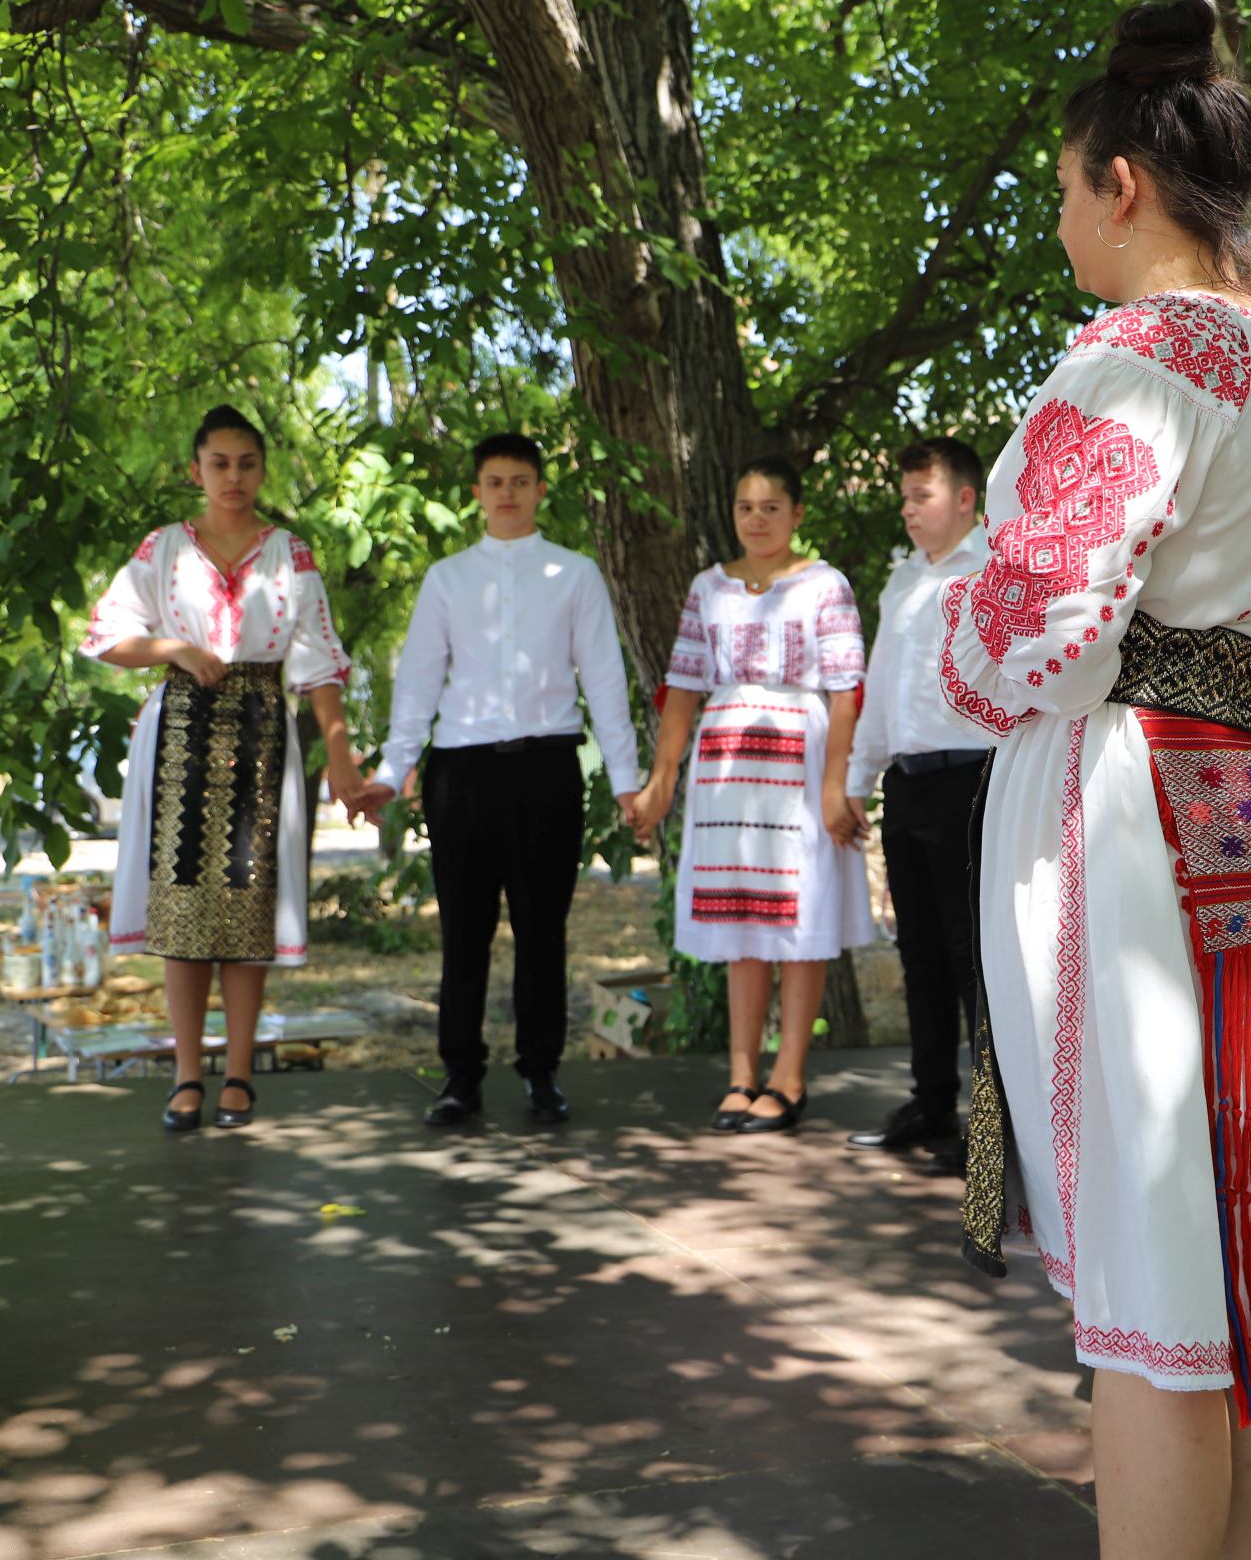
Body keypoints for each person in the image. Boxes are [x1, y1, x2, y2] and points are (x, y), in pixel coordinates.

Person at [939, 0, 1251, 1560]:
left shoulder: (1130, 359)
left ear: (1122, 184)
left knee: (1151, 1295)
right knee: (1245, 1259)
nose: (1062, 226)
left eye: (1064, 192)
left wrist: (973, 612)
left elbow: (1028, 636)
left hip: (1139, 827)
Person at [83, 404, 366, 1132]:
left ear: (262, 470)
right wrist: (173, 649)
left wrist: (340, 751)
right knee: (182, 908)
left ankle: (238, 1072)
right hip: (180, 728)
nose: (233, 477)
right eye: (219, 464)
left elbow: (320, 664)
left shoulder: (291, 555)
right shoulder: (163, 550)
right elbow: (108, 635)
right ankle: (185, 1075)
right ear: (196, 470)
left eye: (247, 464)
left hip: (263, 728)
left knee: (247, 907)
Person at [355, 432, 643, 1128]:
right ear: (477, 493)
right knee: (464, 930)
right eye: (494, 481)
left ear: (541, 489)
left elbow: (604, 677)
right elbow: (418, 679)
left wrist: (628, 778)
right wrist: (394, 772)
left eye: (520, 480)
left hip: (547, 765)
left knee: (544, 930)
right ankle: (460, 1075)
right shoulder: (448, 578)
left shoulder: (574, 574)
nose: (507, 492)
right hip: (463, 772)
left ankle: (541, 1074)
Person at [629, 457, 874, 1135]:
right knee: (743, 920)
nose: (756, 519)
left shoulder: (825, 584)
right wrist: (661, 781)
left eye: (771, 507)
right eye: (745, 507)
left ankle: (789, 1077)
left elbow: (847, 688)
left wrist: (836, 785)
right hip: (728, 762)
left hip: (799, 752)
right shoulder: (708, 587)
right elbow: (682, 686)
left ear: (796, 515)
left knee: (798, 917)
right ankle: (741, 1073)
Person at [843, 437, 992, 1174]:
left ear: (965, 499)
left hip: (970, 779)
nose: (907, 509)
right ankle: (930, 1101)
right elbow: (882, 682)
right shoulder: (902, 580)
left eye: (921, 496)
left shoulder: (995, 567)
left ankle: (991, 1129)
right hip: (906, 782)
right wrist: (855, 777)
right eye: (903, 497)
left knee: (972, 955)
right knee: (920, 953)